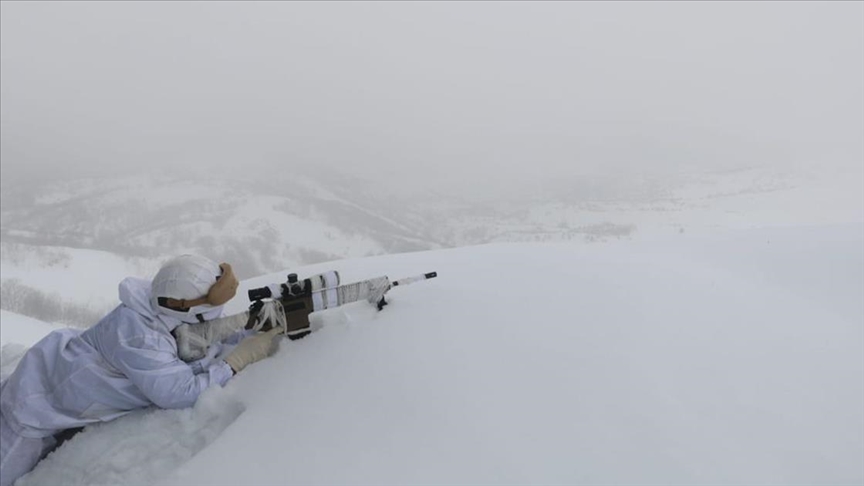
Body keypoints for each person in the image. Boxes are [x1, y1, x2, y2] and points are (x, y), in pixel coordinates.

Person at [0, 255, 282, 486]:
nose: (217, 312)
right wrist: (236, 361)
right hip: (29, 414)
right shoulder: (139, 338)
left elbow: (190, 336)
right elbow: (179, 393)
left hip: (50, 376)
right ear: (182, 307)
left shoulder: (161, 303)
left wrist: (244, 324)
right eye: (212, 305)